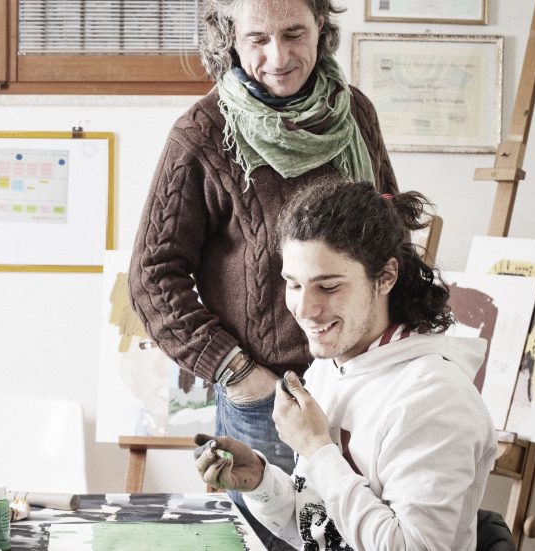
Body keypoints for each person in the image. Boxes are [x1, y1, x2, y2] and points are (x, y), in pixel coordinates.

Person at [127, 0, 396, 546]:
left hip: (367, 389)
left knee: (371, 538)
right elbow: (152, 277)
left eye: (295, 33)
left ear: (322, 26)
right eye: (257, 40)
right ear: (229, 38)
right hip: (269, 400)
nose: (279, 57)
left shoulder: (355, 114)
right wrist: (240, 375)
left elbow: (389, 233)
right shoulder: (202, 135)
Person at [195, 179, 498, 550]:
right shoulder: (330, 367)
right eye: (293, 284)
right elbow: (320, 533)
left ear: (385, 277)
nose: (304, 310)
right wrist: (261, 483)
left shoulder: (434, 398)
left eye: (328, 286)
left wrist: (319, 450)